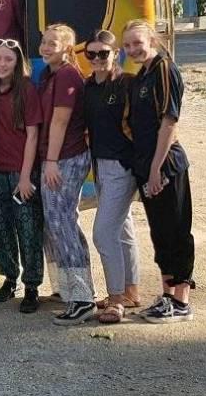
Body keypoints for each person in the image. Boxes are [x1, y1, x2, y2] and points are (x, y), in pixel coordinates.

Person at [123, 19, 195, 323]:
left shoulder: (164, 68)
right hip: (146, 166)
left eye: (137, 43)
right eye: (127, 45)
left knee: (177, 230)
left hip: (166, 165)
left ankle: (182, 300)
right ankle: (167, 295)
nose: (133, 49)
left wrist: (155, 169)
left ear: (152, 40)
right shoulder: (142, 75)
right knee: (160, 232)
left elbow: (169, 121)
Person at [37, 23, 97, 323]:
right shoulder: (50, 75)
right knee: (57, 222)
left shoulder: (67, 76)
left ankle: (82, 298)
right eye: (44, 42)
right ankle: (66, 287)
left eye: (53, 43)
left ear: (68, 48)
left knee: (62, 222)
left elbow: (60, 122)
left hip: (65, 157)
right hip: (56, 157)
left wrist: (50, 160)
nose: (46, 47)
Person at [83, 30, 142, 325]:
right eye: (91, 54)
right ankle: (130, 291)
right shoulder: (89, 86)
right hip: (100, 165)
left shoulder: (127, 84)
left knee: (103, 233)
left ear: (115, 54)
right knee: (122, 228)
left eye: (103, 53)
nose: (96, 58)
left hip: (122, 166)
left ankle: (116, 299)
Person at [0, 37, 45, 313]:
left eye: (8, 59)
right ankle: (9, 278)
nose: (2, 64)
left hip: (21, 172)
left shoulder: (27, 90)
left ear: (17, 62)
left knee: (28, 229)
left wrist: (25, 177)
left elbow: (32, 136)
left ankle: (32, 285)